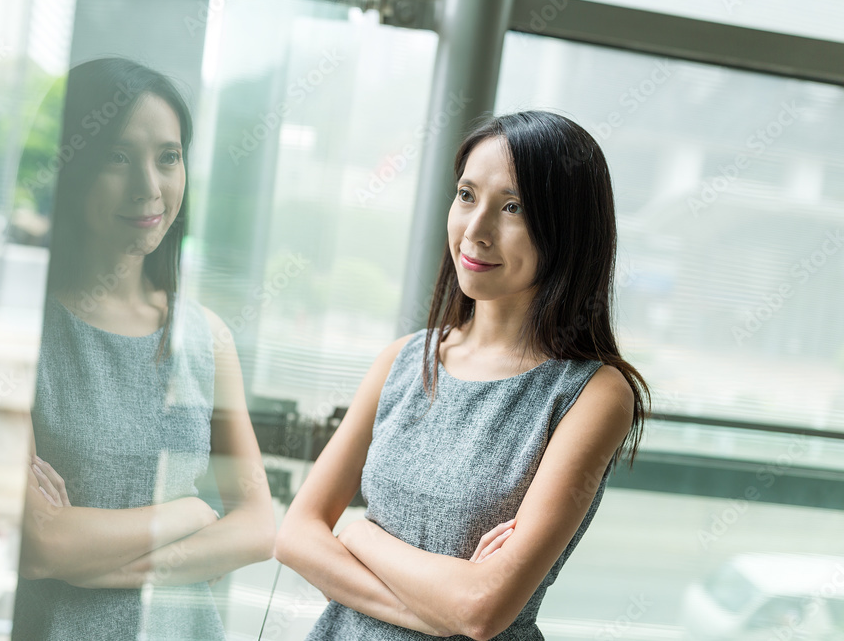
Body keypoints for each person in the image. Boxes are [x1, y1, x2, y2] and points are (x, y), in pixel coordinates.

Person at [275, 110, 650, 640]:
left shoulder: (593, 394)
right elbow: (295, 536)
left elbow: (481, 609)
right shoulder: (404, 361)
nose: (476, 231)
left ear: (567, 230)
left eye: (513, 208)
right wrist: (441, 608)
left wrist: (361, 536)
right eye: (467, 195)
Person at [11, 58, 274, 641]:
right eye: (117, 157)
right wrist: (191, 515)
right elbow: (41, 544)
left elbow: (258, 527)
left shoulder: (207, 338)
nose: (148, 188)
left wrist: (98, 559)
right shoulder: (23, 331)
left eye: (168, 157)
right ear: (72, 165)